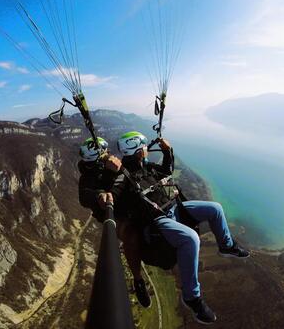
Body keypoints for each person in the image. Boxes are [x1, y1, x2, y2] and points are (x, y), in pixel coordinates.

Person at [102, 131, 249, 325]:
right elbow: (113, 192)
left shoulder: (149, 168)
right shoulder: (123, 176)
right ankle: (192, 297)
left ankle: (227, 245)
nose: (147, 149)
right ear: (138, 150)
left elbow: (167, 171)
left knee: (215, 209)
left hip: (176, 208)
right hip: (157, 220)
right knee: (191, 239)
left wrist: (167, 151)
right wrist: (107, 191)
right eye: (144, 147)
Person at [77, 137, 151, 308]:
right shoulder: (87, 179)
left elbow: (128, 177)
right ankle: (138, 280)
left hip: (128, 205)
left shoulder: (107, 166)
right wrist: (102, 191)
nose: (108, 154)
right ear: (96, 157)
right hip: (118, 215)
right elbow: (87, 198)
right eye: (104, 152)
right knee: (130, 237)